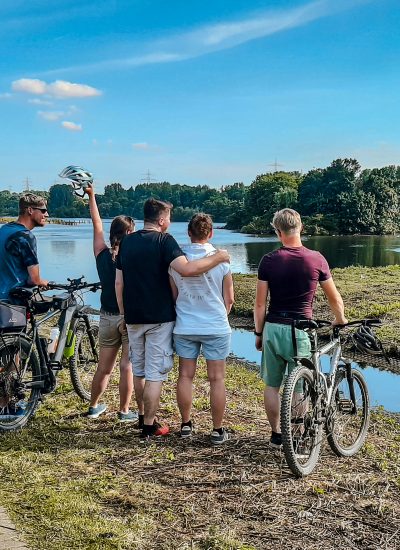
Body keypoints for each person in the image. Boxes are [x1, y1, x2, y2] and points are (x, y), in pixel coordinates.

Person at [115, 198, 230, 440]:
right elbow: (189, 271)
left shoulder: (126, 242)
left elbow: (119, 282)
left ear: (189, 232)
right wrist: (219, 257)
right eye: (168, 217)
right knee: (158, 373)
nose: (169, 222)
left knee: (142, 370)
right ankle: (150, 425)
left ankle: (159, 419)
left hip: (136, 316)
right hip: (162, 318)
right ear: (161, 220)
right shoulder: (165, 242)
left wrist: (124, 313)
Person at [253, 208, 347, 448]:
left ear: (278, 232)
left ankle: (276, 434)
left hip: (273, 327)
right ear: (301, 227)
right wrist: (340, 319)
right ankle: (295, 434)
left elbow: (261, 303)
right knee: (301, 383)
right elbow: (334, 298)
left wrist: (258, 332)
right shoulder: (316, 259)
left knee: (272, 385)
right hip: (300, 329)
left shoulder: (269, 260)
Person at [169, 213, 234, 445]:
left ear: (189, 233)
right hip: (215, 325)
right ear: (211, 233)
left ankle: (186, 424)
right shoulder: (222, 260)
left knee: (185, 375)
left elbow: (174, 296)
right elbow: (229, 298)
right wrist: (219, 316)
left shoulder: (178, 261)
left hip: (185, 325)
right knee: (216, 379)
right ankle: (217, 430)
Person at [84, 183, 139, 422]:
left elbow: (96, 224)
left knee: (104, 367)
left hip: (105, 315)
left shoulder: (101, 253)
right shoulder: (133, 256)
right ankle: (124, 411)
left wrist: (91, 196)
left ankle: (94, 406)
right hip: (128, 317)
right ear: (129, 233)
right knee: (127, 366)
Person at [0, 193, 49, 300]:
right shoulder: (25, 236)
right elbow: (34, 279)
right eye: (43, 211)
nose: (47, 215)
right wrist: (43, 282)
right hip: (11, 302)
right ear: (30, 210)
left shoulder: (4, 229)